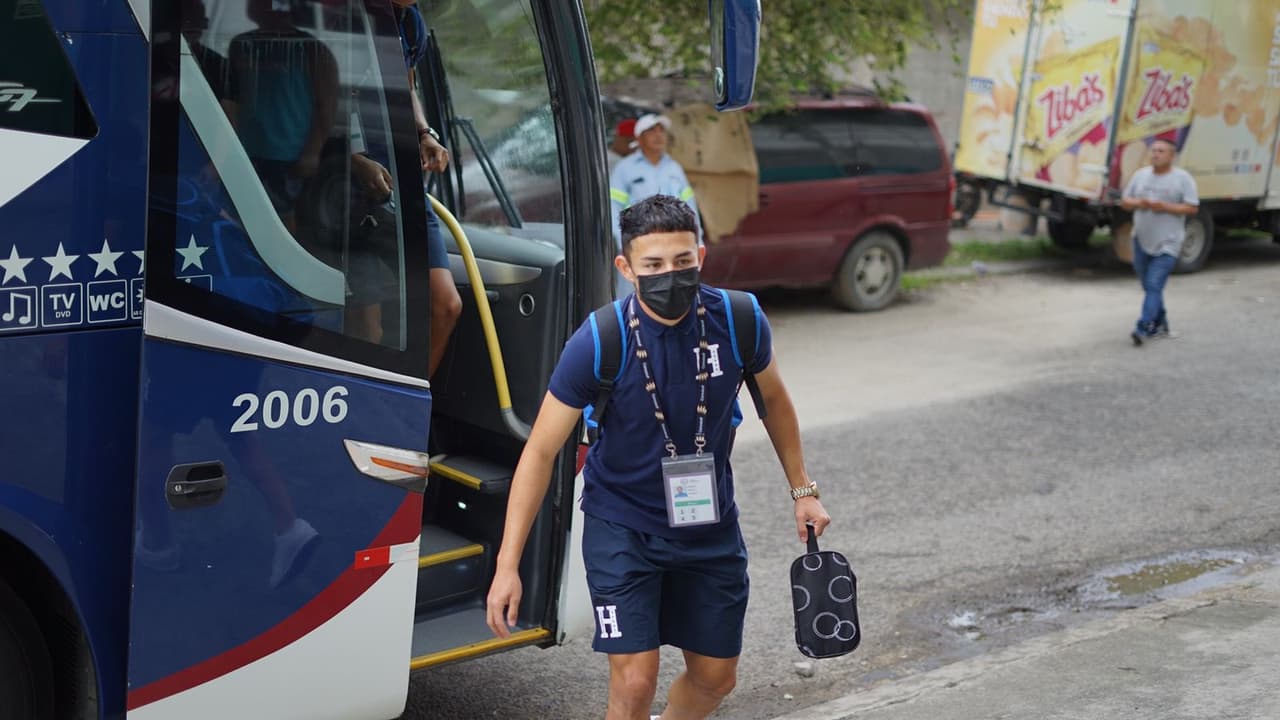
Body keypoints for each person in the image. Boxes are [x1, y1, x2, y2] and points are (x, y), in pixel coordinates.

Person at [486, 195, 831, 720]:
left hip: (709, 528)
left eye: (682, 262)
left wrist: (802, 490)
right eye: (653, 266)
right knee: (634, 680)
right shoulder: (601, 339)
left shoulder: (738, 320)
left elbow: (775, 402)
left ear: (701, 255)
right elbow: (539, 452)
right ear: (626, 268)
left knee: (716, 677)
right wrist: (507, 565)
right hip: (622, 526)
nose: (670, 276)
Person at [609, 113, 700, 297]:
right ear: (639, 138)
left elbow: (690, 207)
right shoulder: (625, 169)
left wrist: (697, 240)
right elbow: (613, 208)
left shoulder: (674, 168)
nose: (658, 135)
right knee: (634, 299)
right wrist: (626, 244)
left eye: (661, 131)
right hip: (640, 247)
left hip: (674, 247)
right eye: (651, 131)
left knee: (676, 297)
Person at [1119, 138, 1199, 346]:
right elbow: (1126, 202)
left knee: (1154, 284)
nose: (1155, 154)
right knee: (1150, 286)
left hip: (1168, 243)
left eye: (1161, 151)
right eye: (1153, 150)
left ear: (1172, 156)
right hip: (1141, 239)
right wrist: (1141, 203)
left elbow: (1192, 207)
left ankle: (1143, 327)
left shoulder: (1182, 179)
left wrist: (1165, 207)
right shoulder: (1141, 176)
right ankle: (1161, 323)